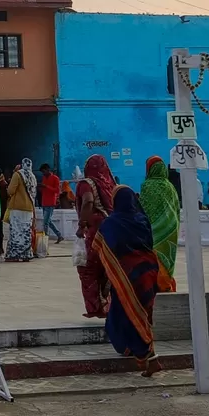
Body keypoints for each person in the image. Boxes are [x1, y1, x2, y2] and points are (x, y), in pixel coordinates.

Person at [94, 186, 164, 376]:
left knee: (125, 315)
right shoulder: (142, 219)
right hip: (148, 271)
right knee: (142, 314)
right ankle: (142, 354)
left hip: (126, 275)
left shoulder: (111, 223)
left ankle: (147, 357)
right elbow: (149, 243)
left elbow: (100, 246)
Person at [75, 155, 117, 318]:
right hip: (112, 229)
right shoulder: (110, 183)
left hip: (95, 231)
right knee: (108, 267)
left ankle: (96, 307)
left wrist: (82, 224)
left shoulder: (87, 183)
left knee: (88, 269)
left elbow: (88, 201)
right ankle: (109, 303)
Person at [139, 156, 180, 292]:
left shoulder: (147, 185)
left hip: (153, 230)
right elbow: (176, 209)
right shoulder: (170, 186)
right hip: (171, 228)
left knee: (154, 258)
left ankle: (157, 285)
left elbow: (143, 209)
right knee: (167, 258)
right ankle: (167, 284)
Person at [2, 158, 38, 261]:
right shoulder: (33, 177)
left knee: (16, 233)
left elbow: (10, 191)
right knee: (26, 233)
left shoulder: (18, 175)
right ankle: (26, 255)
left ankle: (14, 255)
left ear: (22, 165)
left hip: (17, 208)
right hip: (29, 209)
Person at [37, 164, 64, 242]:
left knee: (46, 222)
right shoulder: (44, 178)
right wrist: (40, 188)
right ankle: (59, 235)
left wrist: (45, 186)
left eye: (43, 171)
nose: (43, 173)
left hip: (50, 203)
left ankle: (45, 239)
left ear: (48, 169)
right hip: (44, 202)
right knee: (48, 221)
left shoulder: (55, 178)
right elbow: (43, 190)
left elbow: (57, 190)